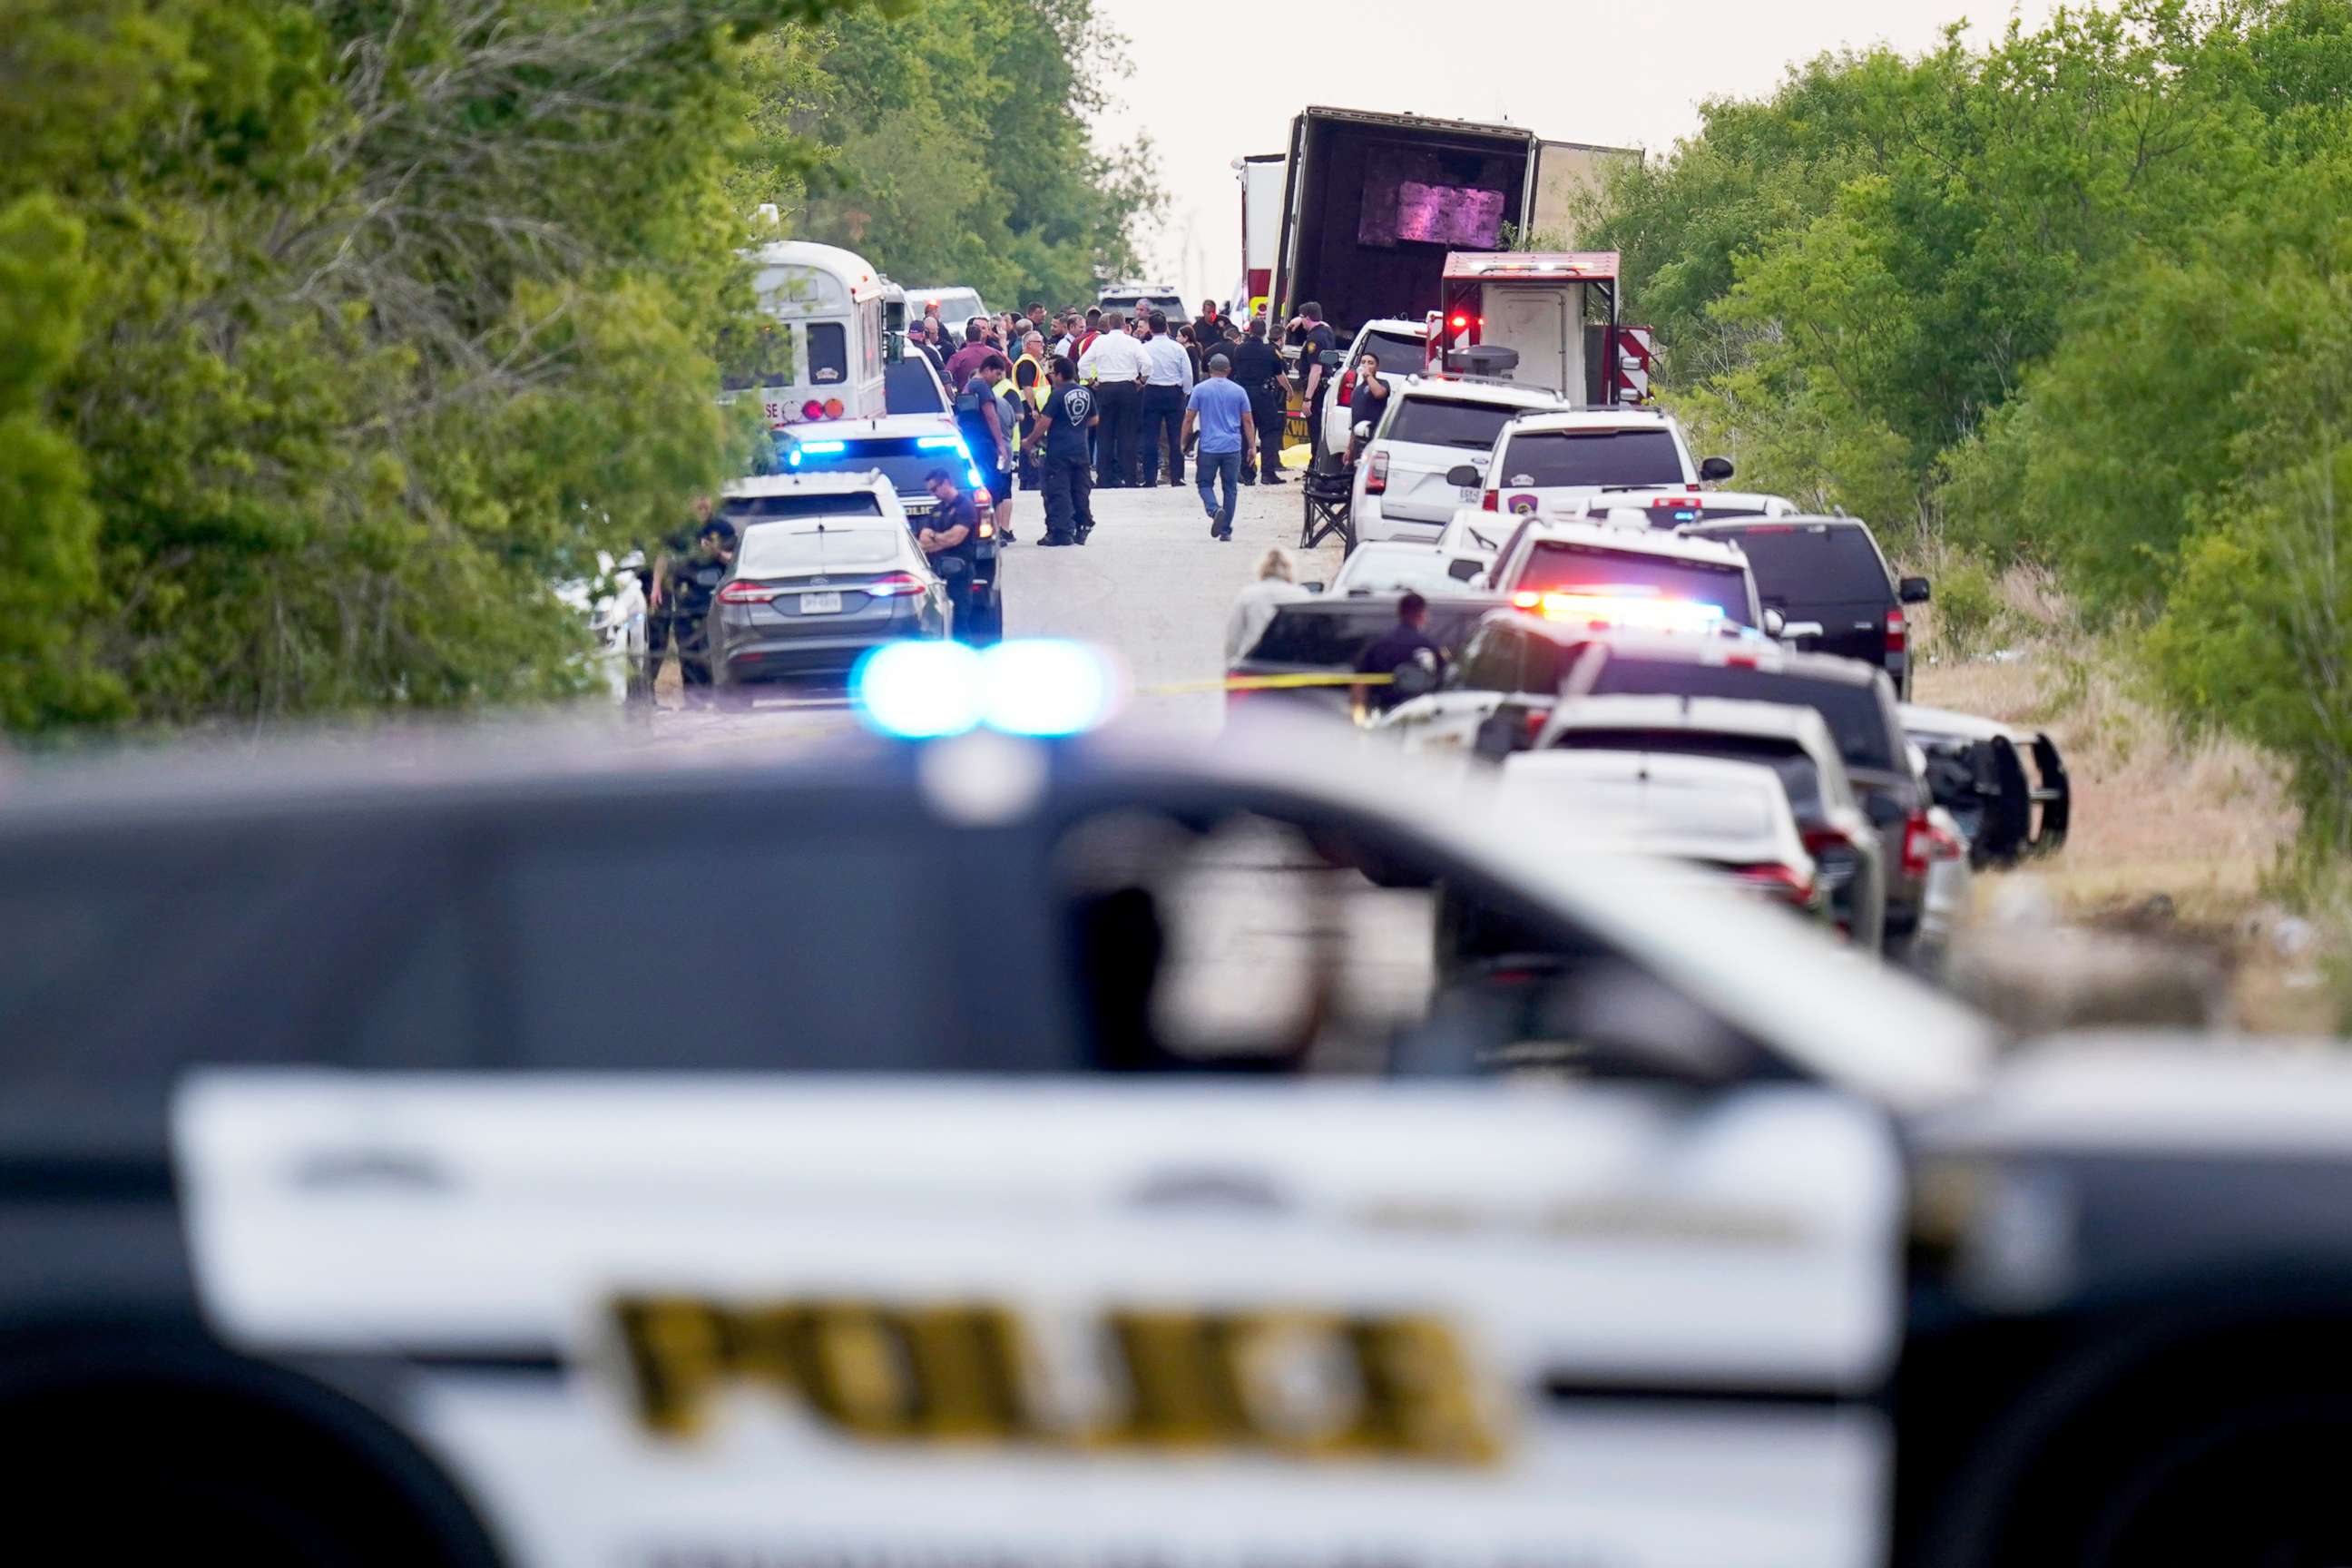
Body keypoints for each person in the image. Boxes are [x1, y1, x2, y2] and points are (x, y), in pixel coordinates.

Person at [659, 512, 737, 704]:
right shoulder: (679, 531)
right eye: (697, 497)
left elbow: (735, 560)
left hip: (716, 601)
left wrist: (717, 553)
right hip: (685, 600)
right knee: (687, 650)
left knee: (714, 651)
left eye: (705, 497)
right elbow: (662, 557)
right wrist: (656, 587)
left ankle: (718, 697)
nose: (702, 503)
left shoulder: (723, 528)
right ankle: (694, 700)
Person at [1182, 351, 1257, 541]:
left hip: (1208, 446)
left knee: (1204, 483)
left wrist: (1183, 441)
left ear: (1209, 369)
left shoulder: (1200, 390)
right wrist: (1252, 446)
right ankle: (1225, 530)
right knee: (1230, 487)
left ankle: (1214, 510)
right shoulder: (1239, 391)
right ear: (1229, 370)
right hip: (1232, 446)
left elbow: (1189, 418)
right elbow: (1247, 421)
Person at [1030, 355, 1097, 547]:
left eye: (1052, 372)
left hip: (1059, 450)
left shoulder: (1057, 394)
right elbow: (1094, 420)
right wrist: (1076, 426)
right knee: (1080, 489)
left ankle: (1061, 532)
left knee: (1058, 490)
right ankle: (1083, 524)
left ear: (1060, 375)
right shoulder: (1086, 392)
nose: (1050, 376)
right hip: (1081, 449)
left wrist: (1030, 441)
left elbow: (1045, 422)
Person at [1078, 310, 1146, 488]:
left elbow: (1082, 364)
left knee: (1105, 435)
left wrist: (1092, 382)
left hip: (1106, 388)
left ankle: (1104, 479)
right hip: (1127, 388)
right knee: (1128, 434)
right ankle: (1130, 478)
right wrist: (1141, 381)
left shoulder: (1099, 342)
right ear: (1125, 325)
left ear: (1108, 325)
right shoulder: (1132, 342)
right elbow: (1148, 365)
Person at [1354, 592, 1446, 714]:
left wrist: (1359, 714)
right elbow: (1444, 680)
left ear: (1398, 613)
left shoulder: (1378, 645)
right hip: (1418, 714)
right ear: (1422, 615)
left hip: (1382, 713)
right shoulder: (1429, 646)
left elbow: (1360, 683)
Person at [1226, 318, 1289, 485]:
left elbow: (1234, 371)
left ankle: (1246, 473)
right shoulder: (1270, 352)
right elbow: (1279, 374)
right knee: (1269, 432)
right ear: (1264, 333)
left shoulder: (1238, 350)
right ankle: (1267, 473)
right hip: (1264, 395)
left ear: (1250, 331)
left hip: (1244, 395)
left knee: (1246, 433)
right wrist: (1289, 390)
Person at [918, 467, 982, 632]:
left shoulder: (965, 507)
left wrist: (935, 537)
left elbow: (956, 538)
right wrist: (941, 539)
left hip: (960, 571)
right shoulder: (937, 510)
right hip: (936, 571)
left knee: (960, 617)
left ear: (946, 483)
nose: (933, 494)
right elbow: (923, 541)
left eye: (934, 489)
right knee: (935, 617)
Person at [1137, 312, 1194, 487]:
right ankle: (1177, 477)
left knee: (1150, 437)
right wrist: (1185, 392)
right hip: (1173, 394)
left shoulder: (1144, 348)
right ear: (1166, 326)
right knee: (1176, 436)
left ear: (1151, 329)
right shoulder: (1178, 348)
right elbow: (1188, 374)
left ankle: (1149, 478)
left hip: (1152, 393)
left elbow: (1139, 371)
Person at [1224, 546, 1306, 663]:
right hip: (1291, 663)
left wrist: (1231, 665)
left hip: (1254, 662)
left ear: (1261, 569)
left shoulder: (1248, 595)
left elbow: (1233, 638)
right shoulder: (1301, 595)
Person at [1288, 301, 1338, 465]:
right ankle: (1318, 462)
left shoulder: (1314, 340)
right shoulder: (1327, 331)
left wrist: (1307, 399)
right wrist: (1297, 319)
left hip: (1316, 391)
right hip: (1325, 387)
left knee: (1315, 428)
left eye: (1302, 318)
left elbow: (1316, 370)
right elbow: (1322, 323)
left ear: (1308, 318)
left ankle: (1315, 464)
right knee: (1321, 427)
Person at [1346, 349, 1395, 463]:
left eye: (1370, 363)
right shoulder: (1357, 390)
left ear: (1377, 368)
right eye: (1363, 362)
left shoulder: (1382, 383)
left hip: (1373, 438)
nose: (1366, 365)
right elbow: (1354, 420)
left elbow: (1379, 393)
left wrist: (1368, 376)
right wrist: (1349, 448)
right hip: (1358, 442)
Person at [944, 319, 994, 394]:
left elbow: (945, 378)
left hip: (967, 398)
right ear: (980, 337)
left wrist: (952, 398)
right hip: (992, 394)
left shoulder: (957, 357)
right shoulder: (994, 353)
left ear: (966, 338)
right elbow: (1010, 368)